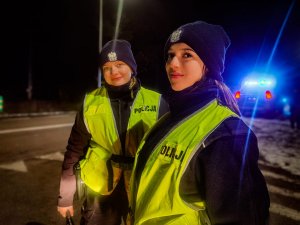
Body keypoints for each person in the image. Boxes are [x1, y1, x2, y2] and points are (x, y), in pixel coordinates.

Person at [129, 21, 270, 225]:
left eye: (187, 55)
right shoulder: (171, 117)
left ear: (208, 65)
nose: (173, 64)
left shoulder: (225, 134)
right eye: (170, 55)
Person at [57, 39, 169, 225]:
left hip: (141, 188)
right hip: (100, 192)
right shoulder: (90, 102)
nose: (114, 72)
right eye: (107, 67)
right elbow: (74, 151)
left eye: (119, 64)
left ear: (132, 67)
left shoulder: (157, 103)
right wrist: (65, 198)